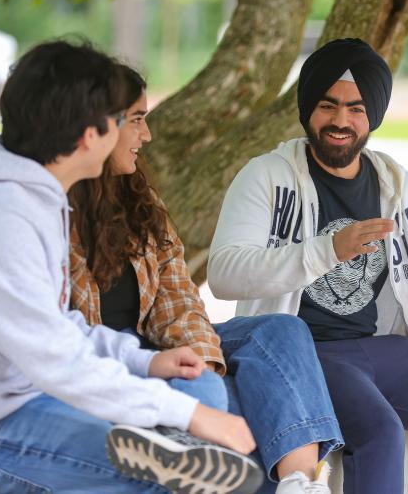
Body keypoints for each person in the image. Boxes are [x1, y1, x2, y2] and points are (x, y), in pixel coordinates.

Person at [0, 40, 261, 494]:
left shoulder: (33, 201)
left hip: (16, 406)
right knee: (167, 479)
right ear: (88, 134)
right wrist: (190, 416)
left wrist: (146, 361)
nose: (134, 134)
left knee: (190, 416)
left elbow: (62, 327)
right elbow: (56, 357)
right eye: (120, 121)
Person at [207, 38, 408, 494]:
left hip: (389, 351)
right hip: (305, 354)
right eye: (328, 105)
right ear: (308, 110)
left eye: (356, 109)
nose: (341, 120)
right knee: (379, 432)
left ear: (373, 116)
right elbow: (224, 273)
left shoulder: (403, 189)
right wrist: (328, 250)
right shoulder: (266, 176)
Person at [68, 64, 342, 494]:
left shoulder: (139, 200)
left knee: (280, 331)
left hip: (158, 349)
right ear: (98, 126)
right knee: (246, 413)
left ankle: (301, 484)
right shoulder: (46, 208)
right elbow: (60, 337)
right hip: (104, 363)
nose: (148, 135)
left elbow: (179, 299)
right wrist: (200, 393)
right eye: (138, 119)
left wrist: (201, 367)